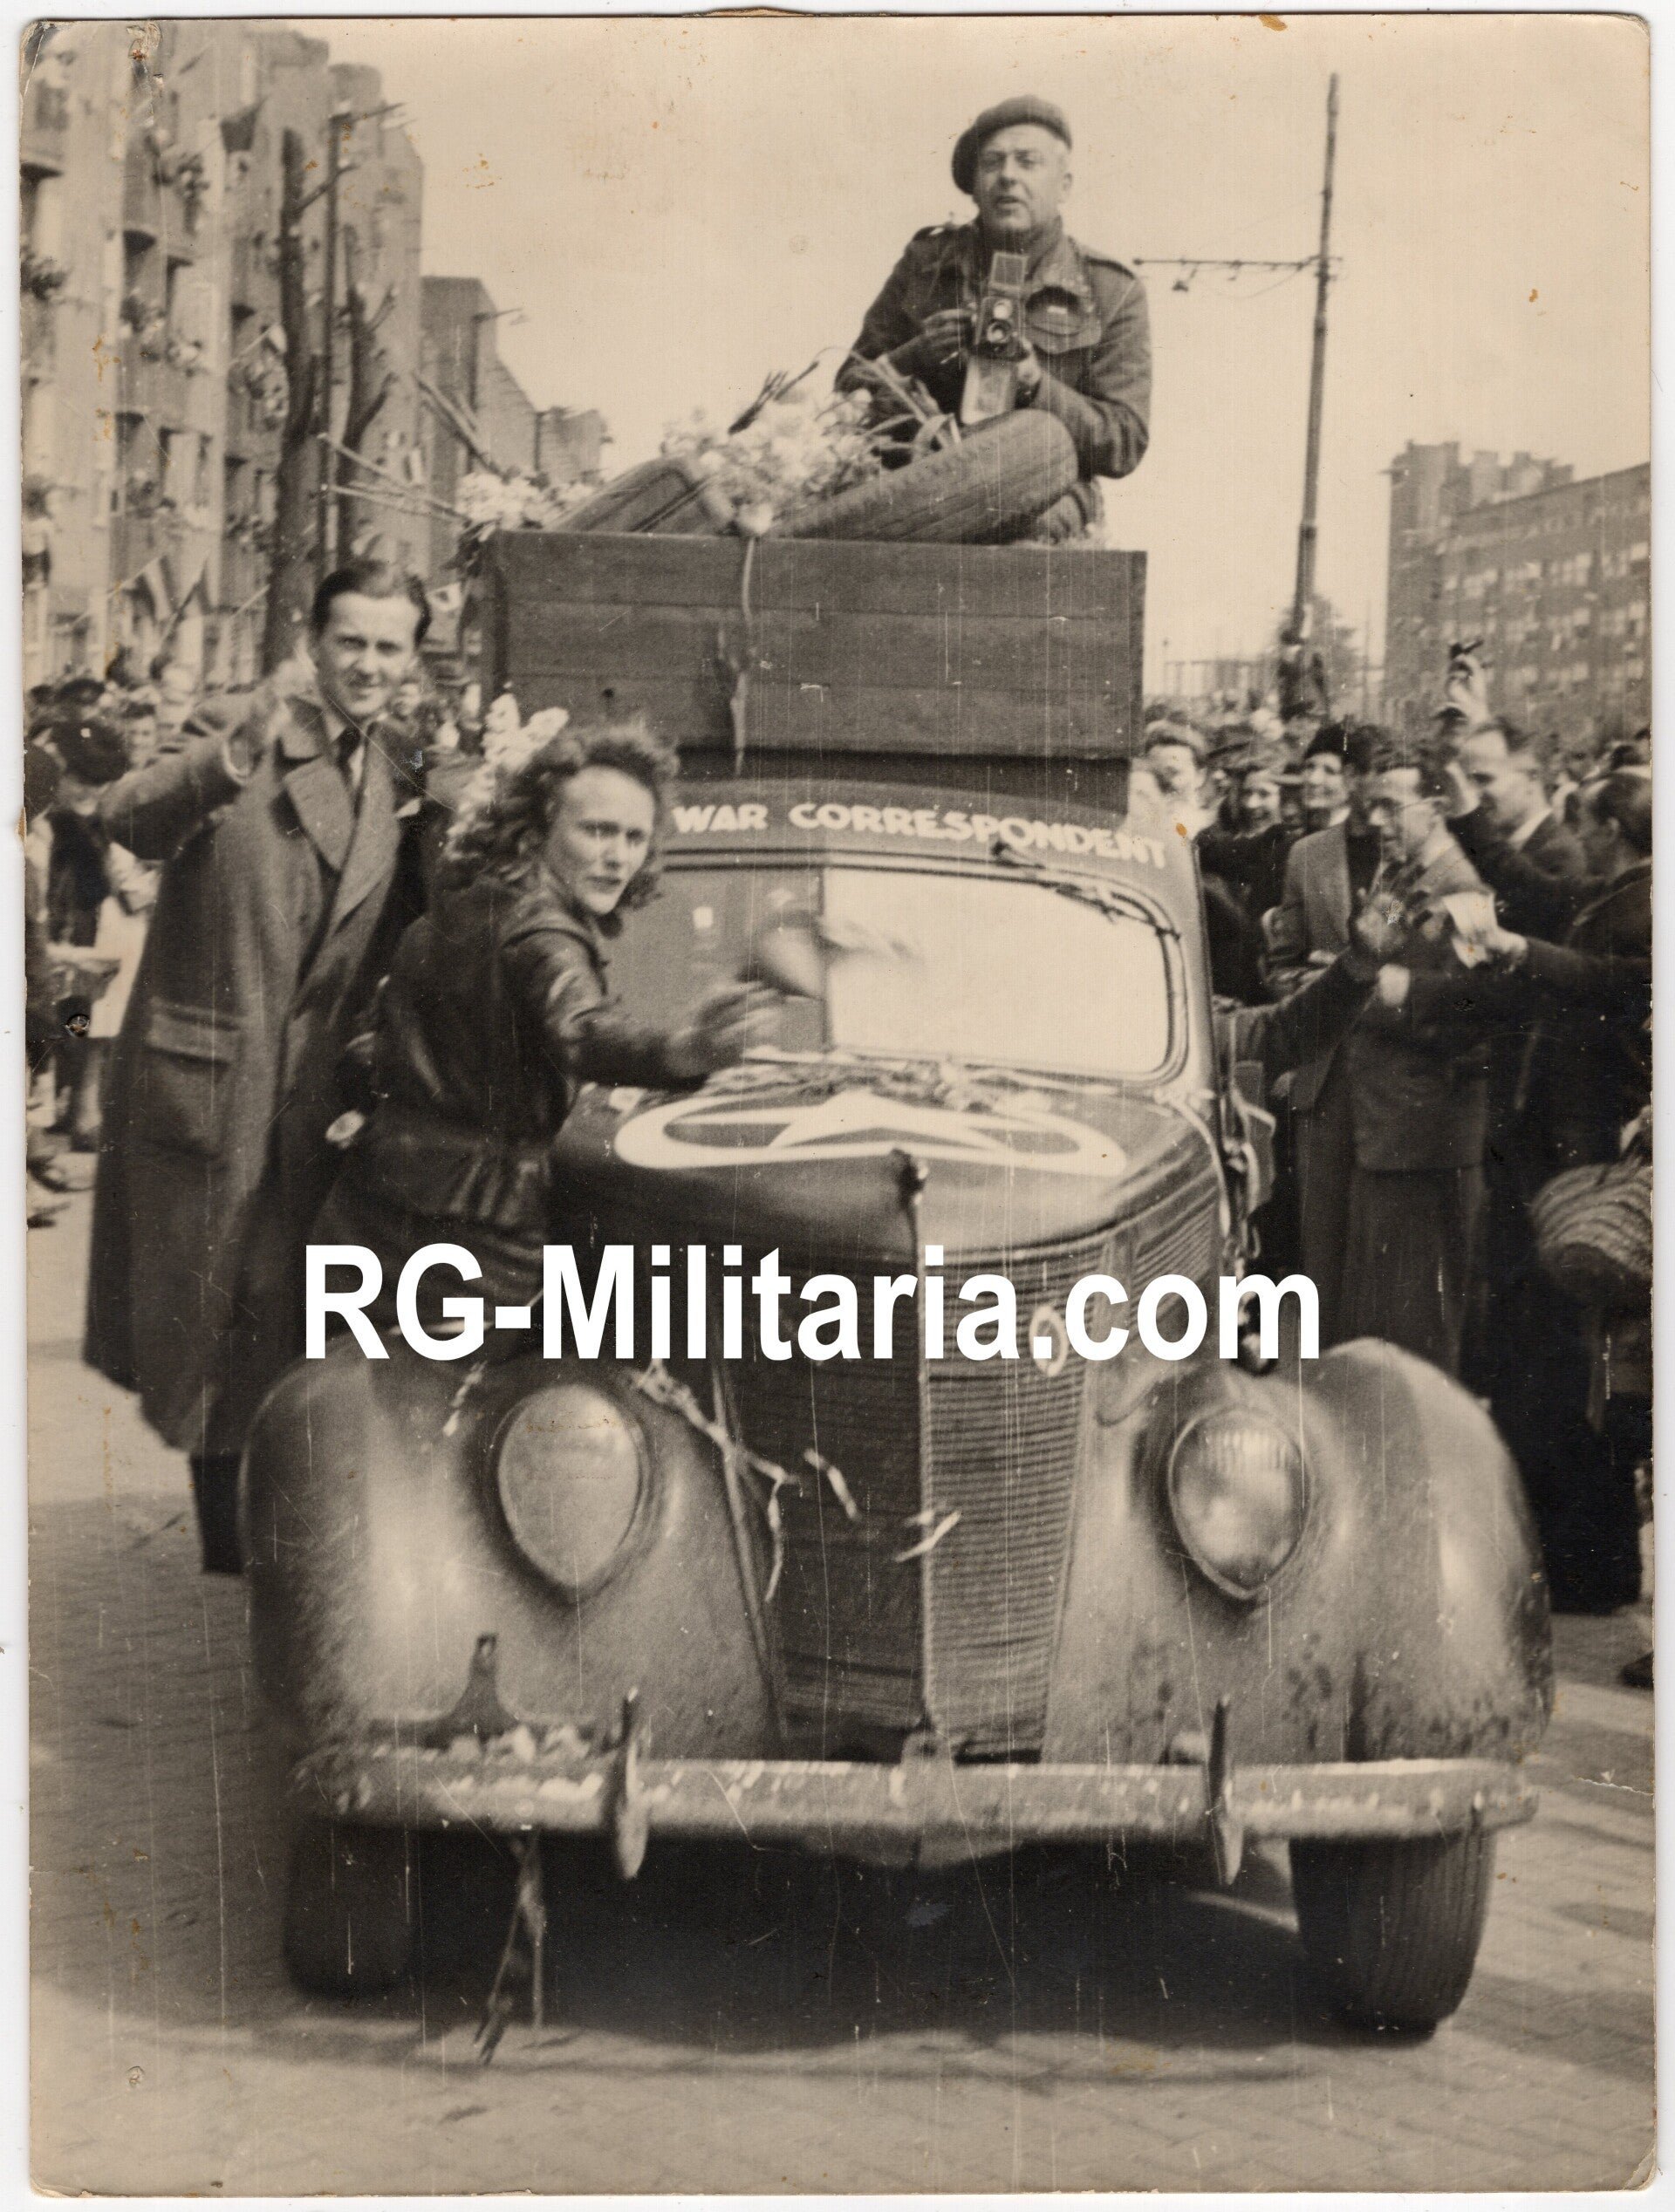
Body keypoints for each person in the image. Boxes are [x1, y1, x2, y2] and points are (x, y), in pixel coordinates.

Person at [85, 557, 444, 1575]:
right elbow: (126, 813)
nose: (368, 665)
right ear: (312, 638)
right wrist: (237, 746)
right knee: (210, 1324)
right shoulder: (236, 727)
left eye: (389, 647)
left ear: (413, 659)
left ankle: (268, 1546)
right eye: (351, 642)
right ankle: (230, 1557)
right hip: (214, 1083)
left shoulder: (399, 774)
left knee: (284, 1316)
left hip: (314, 1100)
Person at [313, 720, 771, 1321]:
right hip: (477, 1248)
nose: (618, 856)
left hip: (366, 1212)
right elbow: (580, 1025)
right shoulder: (544, 928)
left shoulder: (458, 909)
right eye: (598, 830)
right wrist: (682, 1050)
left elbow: (369, 1047)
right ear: (539, 829)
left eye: (635, 837)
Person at [838, 96, 1150, 539]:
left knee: (1014, 544)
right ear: (974, 183)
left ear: (1064, 185)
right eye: (992, 163)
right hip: (919, 488)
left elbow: (1123, 443)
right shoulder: (926, 264)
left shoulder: (1109, 291)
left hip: (1043, 494)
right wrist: (918, 353)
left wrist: (1033, 383)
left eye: (1028, 162)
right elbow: (848, 390)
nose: (1008, 176)